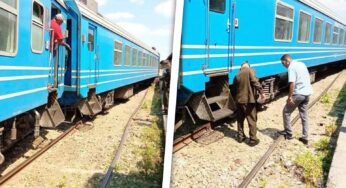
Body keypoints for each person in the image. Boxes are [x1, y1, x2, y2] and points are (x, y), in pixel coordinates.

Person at [279, 54, 313, 145]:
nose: (284, 65)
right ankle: (305, 137)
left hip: (298, 94)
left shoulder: (291, 67)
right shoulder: (302, 64)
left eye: (283, 63)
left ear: (287, 61)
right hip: (307, 94)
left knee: (286, 112)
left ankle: (289, 133)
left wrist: (290, 97)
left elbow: (292, 84)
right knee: (304, 116)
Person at [234, 61, 266, 146]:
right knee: (252, 119)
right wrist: (262, 92)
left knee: (240, 119)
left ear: (241, 67)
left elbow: (234, 89)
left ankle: (240, 137)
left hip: (239, 101)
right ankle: (253, 140)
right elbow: (255, 81)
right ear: (248, 66)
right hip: (248, 100)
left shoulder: (237, 75)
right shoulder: (250, 70)